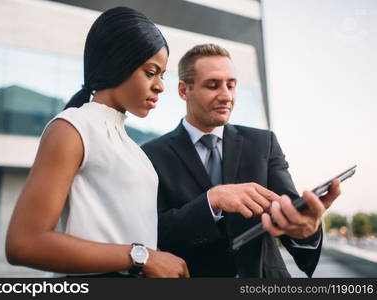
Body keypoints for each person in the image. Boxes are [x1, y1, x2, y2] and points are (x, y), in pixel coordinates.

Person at [5, 6, 189, 278]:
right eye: (151, 72)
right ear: (119, 63)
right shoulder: (72, 128)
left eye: (162, 75)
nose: (160, 86)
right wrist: (142, 257)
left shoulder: (133, 149)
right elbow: (24, 243)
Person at [142, 44, 341, 277]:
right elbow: (153, 232)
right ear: (184, 90)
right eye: (213, 85)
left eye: (231, 85)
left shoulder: (264, 143)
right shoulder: (150, 154)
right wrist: (211, 201)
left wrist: (306, 231)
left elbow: (290, 212)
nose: (226, 96)